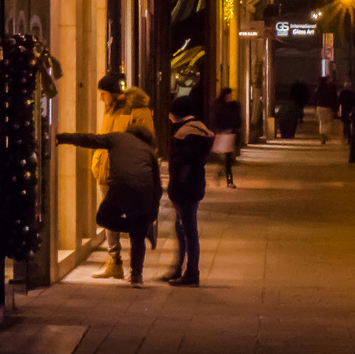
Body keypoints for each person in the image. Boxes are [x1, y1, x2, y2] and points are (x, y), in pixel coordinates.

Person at [57, 123, 161, 286]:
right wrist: (152, 215)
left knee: (103, 217)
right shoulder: (149, 151)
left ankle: (137, 229)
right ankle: (136, 277)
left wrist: (64, 138)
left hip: (120, 189)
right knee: (138, 236)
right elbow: (157, 186)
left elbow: (90, 140)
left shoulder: (117, 137)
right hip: (144, 193)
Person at [90, 75, 153, 279]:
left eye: (103, 94)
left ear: (113, 94)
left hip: (127, 174)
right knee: (108, 219)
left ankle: (136, 272)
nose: (101, 98)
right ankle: (114, 261)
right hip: (106, 173)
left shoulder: (137, 111)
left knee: (134, 217)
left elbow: (147, 143)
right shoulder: (110, 110)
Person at [164, 96, 214, 285]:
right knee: (184, 228)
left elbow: (181, 167)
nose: (168, 118)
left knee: (188, 230)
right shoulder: (198, 131)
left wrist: (174, 192)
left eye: (170, 114)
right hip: (194, 187)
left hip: (185, 190)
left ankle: (191, 272)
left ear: (177, 114)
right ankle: (181, 268)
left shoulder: (186, 135)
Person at [210, 87, 243, 188]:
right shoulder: (219, 106)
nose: (229, 96)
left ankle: (229, 180)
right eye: (228, 94)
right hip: (222, 134)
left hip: (230, 134)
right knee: (221, 158)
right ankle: (219, 174)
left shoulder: (233, 106)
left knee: (228, 158)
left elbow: (238, 120)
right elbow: (215, 119)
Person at [314, 76, 338, 144]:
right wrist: (335, 108)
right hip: (327, 107)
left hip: (319, 107)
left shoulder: (318, 89)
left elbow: (314, 98)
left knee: (321, 122)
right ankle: (325, 134)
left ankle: (322, 134)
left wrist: (315, 107)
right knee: (328, 122)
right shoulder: (329, 89)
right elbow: (333, 98)